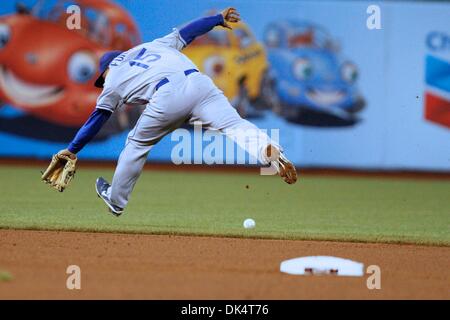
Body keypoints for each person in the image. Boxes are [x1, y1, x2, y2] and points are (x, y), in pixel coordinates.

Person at [57, 8, 297, 216]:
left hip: (168, 96)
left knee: (136, 145)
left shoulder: (113, 80)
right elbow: (188, 32)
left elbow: (97, 119)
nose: (102, 82)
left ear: (106, 69)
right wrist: (216, 19)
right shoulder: (152, 46)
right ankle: (268, 151)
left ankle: (116, 200)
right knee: (234, 124)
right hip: (200, 83)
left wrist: (72, 149)